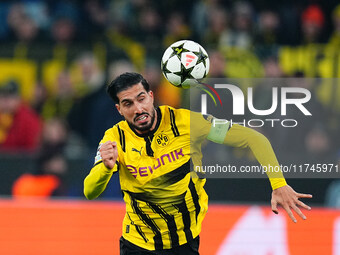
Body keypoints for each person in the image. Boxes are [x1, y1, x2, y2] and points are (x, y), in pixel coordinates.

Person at [84, 72, 312, 255]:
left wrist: (278, 183)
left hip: (185, 242)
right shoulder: (113, 139)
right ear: (119, 109)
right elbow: (90, 191)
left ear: (151, 96)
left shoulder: (188, 123)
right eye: (128, 103)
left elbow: (254, 138)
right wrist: (105, 168)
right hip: (137, 244)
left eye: (141, 99)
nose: (138, 109)